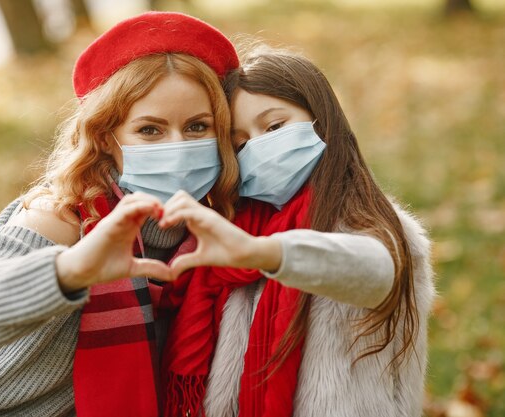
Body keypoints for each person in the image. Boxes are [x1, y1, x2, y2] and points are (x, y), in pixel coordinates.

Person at [0, 11, 242, 417]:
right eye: (150, 130)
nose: (177, 146)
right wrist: (69, 271)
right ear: (106, 138)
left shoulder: (209, 233)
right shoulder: (64, 214)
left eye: (196, 127)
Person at [158, 46, 435, 417]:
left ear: (321, 119)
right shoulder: (239, 233)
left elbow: (375, 270)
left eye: (274, 127)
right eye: (241, 142)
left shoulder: (385, 231)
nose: (259, 147)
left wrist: (267, 253)